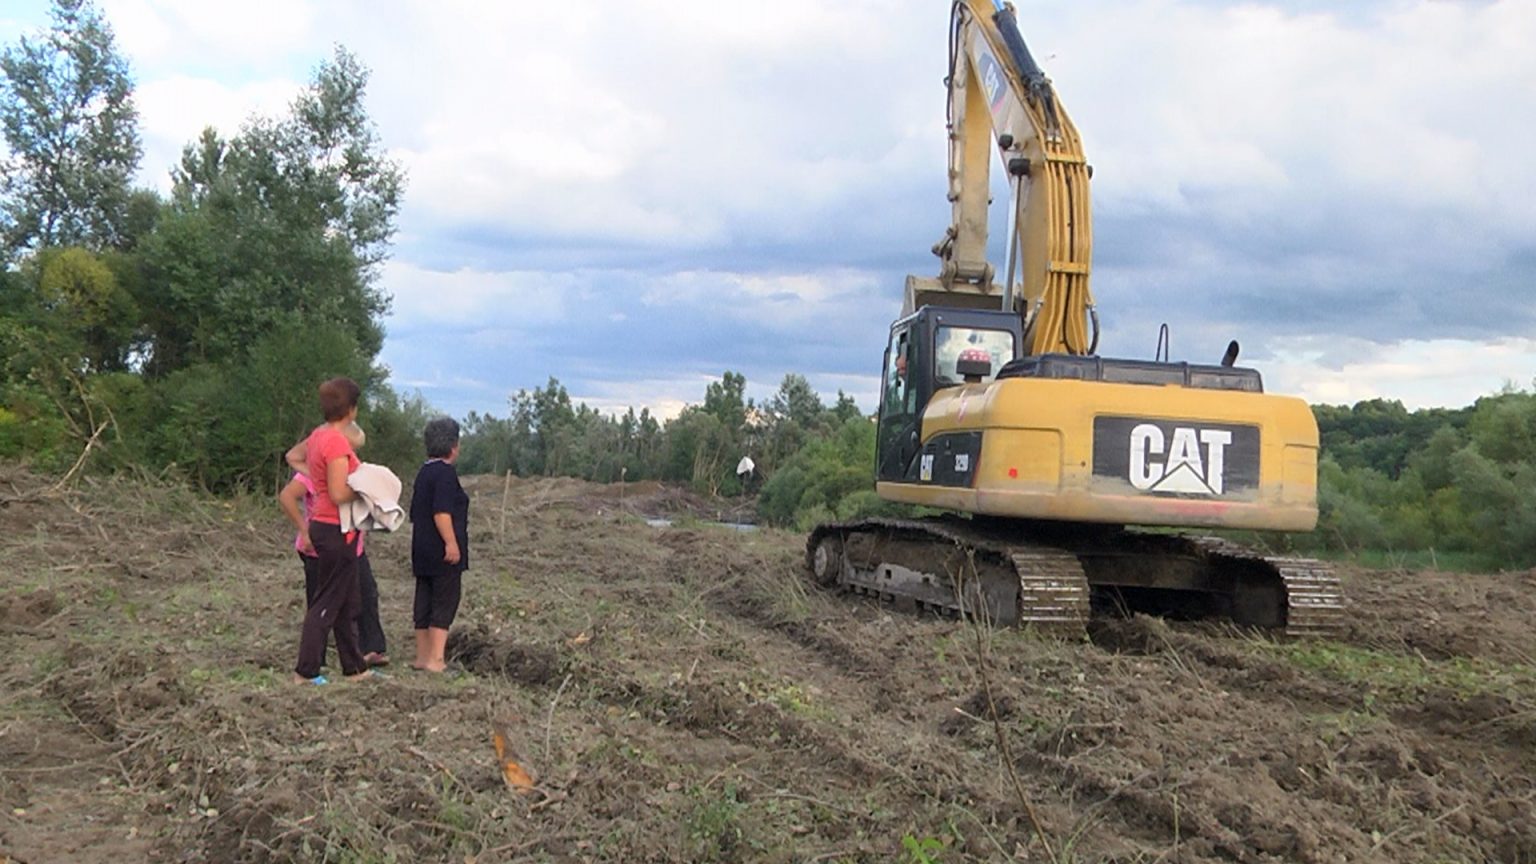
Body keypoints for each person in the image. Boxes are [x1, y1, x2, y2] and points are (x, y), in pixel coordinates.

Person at [279, 421, 388, 667]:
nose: (350, 454)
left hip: (351, 546)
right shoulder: (313, 473)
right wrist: (304, 530)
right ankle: (314, 662)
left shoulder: (352, 472)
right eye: (349, 448)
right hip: (319, 548)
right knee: (321, 602)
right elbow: (286, 496)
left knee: (364, 594)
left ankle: (370, 650)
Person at [291, 377, 373, 685]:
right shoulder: (337, 442)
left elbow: (301, 463)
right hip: (336, 528)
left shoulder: (316, 437)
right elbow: (339, 493)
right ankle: (305, 670)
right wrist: (368, 493)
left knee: (346, 600)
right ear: (351, 410)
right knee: (326, 602)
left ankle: (355, 668)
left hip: (327, 526)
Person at [410, 417, 469, 673]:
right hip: (441, 551)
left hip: (421, 548)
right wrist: (451, 543)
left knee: (424, 600)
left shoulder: (424, 471)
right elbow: (441, 513)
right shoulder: (445, 473)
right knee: (445, 601)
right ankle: (436, 661)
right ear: (453, 445)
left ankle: (422, 658)